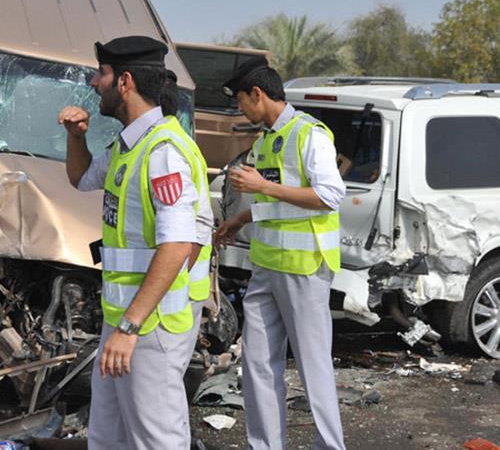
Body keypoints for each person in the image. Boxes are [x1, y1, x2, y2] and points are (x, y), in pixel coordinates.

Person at [58, 36, 213, 449]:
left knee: (155, 439)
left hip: (151, 323)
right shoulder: (130, 144)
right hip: (124, 317)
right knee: (108, 436)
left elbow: (178, 245)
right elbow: (82, 178)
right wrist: (77, 137)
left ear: (124, 82)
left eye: (102, 73)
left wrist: (129, 328)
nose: (94, 82)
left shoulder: (164, 152)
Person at [214, 62, 346, 450]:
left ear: (258, 94)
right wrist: (239, 218)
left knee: (312, 365)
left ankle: (329, 446)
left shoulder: (309, 135)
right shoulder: (268, 139)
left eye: (241, 101)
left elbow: (329, 196)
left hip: (304, 269)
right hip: (267, 268)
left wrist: (259, 187)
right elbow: (278, 205)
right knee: (256, 364)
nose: (241, 111)